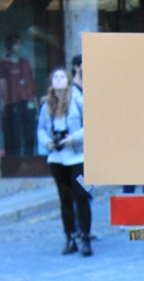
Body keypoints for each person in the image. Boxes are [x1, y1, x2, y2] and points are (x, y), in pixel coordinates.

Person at [37, 68, 91, 256]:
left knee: (82, 194)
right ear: (51, 83)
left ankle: (85, 237)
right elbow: (41, 129)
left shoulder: (78, 101)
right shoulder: (46, 106)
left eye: (62, 77)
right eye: (55, 77)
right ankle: (70, 237)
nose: (59, 79)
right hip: (57, 159)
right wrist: (47, 142)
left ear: (68, 81)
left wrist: (74, 138)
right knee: (65, 199)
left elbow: (91, 124)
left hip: (77, 158)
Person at [0, 34, 37, 156]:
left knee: (30, 132)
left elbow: (31, 83)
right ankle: (13, 161)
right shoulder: (4, 64)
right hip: (12, 103)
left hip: (27, 101)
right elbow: (2, 85)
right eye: (16, 44)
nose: (18, 47)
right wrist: (3, 104)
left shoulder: (25, 63)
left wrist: (35, 104)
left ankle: (29, 158)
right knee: (14, 134)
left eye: (20, 44)